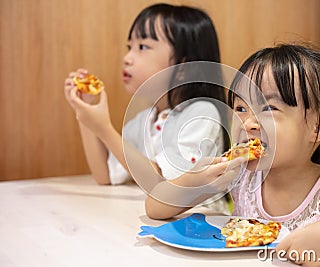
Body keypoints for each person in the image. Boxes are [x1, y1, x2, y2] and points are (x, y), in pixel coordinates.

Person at [145, 43, 320, 265]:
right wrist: (194, 180)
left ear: (319, 125)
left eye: (269, 108)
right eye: (240, 108)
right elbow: (155, 208)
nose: (247, 123)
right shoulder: (239, 176)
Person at [64, 3, 229, 190]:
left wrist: (104, 129)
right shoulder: (144, 121)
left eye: (142, 46)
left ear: (183, 67)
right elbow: (105, 176)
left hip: (197, 219)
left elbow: (160, 184)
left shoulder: (202, 114)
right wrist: (85, 115)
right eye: (129, 47)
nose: (127, 58)